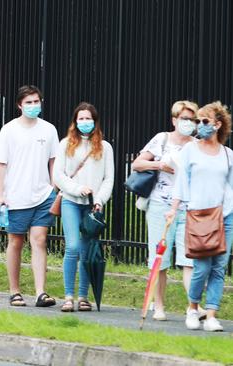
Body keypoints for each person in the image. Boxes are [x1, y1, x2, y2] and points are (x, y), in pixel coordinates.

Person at [167, 101, 233, 332]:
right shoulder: (190, 150)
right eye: (197, 121)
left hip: (225, 217)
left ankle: (212, 313)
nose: (199, 126)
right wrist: (174, 209)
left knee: (218, 268)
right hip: (198, 215)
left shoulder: (228, 155)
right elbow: (182, 182)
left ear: (217, 124)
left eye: (204, 121)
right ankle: (193, 308)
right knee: (201, 267)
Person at [131, 100, 201, 320]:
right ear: (174, 120)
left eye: (192, 119)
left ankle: (193, 307)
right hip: (161, 205)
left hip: (188, 207)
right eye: (184, 119)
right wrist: (160, 164)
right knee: (160, 258)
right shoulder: (161, 139)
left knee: (189, 258)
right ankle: (158, 305)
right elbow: (137, 164)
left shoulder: (197, 145)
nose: (188, 123)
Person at [0, 85, 59, 307]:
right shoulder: (9, 130)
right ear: (19, 105)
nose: (33, 106)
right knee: (16, 242)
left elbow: (54, 161)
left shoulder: (49, 130)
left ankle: (41, 292)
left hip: (43, 195)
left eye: (36, 102)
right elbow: (0, 164)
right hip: (16, 196)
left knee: (39, 240)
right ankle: (15, 291)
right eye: (28, 102)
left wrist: (53, 188)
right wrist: (0, 195)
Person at [53, 102, 114, 312]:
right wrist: (77, 188)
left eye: (88, 118)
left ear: (95, 121)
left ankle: (83, 296)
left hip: (93, 206)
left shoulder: (105, 148)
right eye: (81, 118)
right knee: (72, 247)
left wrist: (100, 199)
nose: (84, 122)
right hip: (71, 201)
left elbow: (109, 179)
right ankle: (68, 295)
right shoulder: (65, 144)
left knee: (88, 250)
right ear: (75, 121)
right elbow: (58, 175)